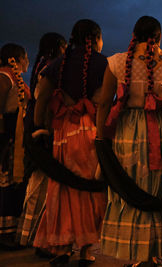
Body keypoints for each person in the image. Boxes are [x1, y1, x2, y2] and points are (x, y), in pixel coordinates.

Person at [96, 16, 162, 266]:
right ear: (159, 37)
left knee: (126, 187)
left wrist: (100, 138)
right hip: (158, 130)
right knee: (156, 188)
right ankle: (154, 252)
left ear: (134, 35)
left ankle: (136, 253)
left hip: (126, 132)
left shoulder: (116, 62)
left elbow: (105, 102)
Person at [32, 19, 107, 266]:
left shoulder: (57, 65)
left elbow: (42, 98)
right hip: (89, 131)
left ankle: (62, 248)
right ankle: (85, 251)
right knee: (87, 190)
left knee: (62, 188)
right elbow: (105, 101)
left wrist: (40, 127)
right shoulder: (102, 63)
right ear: (95, 38)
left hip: (63, 133)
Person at [16, 32, 67, 248]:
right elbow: (44, 102)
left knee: (37, 185)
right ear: (57, 48)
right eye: (64, 48)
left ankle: (26, 234)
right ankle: (33, 236)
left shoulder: (41, 67)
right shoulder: (51, 69)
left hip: (34, 131)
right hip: (43, 132)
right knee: (42, 187)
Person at [0, 43, 30, 239]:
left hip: (13, 138)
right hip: (6, 139)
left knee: (12, 185)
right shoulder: (4, 77)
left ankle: (10, 232)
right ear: (18, 59)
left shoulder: (11, 78)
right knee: (6, 184)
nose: (28, 61)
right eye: (26, 57)